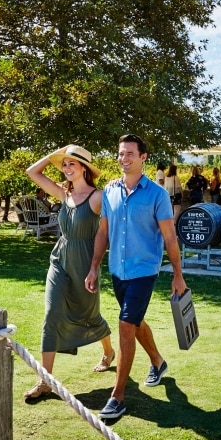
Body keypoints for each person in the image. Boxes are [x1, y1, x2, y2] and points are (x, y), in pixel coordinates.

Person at [85, 134, 187, 420]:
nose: (123, 158)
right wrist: (94, 267)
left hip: (144, 271)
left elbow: (169, 237)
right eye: (120, 153)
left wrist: (178, 274)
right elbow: (103, 232)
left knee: (126, 324)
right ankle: (157, 361)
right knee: (135, 320)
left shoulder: (156, 195)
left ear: (143, 157)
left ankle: (117, 397)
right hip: (118, 271)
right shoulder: (109, 191)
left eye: (130, 153)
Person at [22, 144, 116, 399]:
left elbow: (105, 233)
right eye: (63, 164)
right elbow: (33, 172)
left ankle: (108, 351)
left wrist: (95, 267)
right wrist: (57, 152)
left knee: (89, 315)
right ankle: (45, 381)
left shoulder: (98, 197)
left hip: (85, 263)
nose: (66, 168)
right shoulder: (65, 194)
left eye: (71, 163)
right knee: (51, 314)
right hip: (60, 260)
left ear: (84, 168)